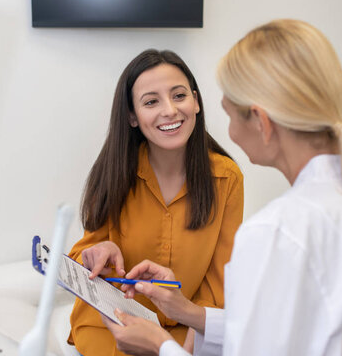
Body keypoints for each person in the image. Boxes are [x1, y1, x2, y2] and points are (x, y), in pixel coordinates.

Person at [101, 20, 342, 355]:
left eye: (230, 114)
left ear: (261, 123)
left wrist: (161, 345)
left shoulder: (275, 232)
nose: (230, 133)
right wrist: (188, 312)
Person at [67, 49, 244, 355]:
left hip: (182, 328)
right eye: (151, 101)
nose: (170, 111)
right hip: (110, 323)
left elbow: (220, 279)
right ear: (132, 116)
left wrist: (190, 339)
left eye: (179, 96)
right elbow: (82, 257)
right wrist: (100, 251)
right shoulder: (113, 173)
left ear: (196, 101)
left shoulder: (227, 179)